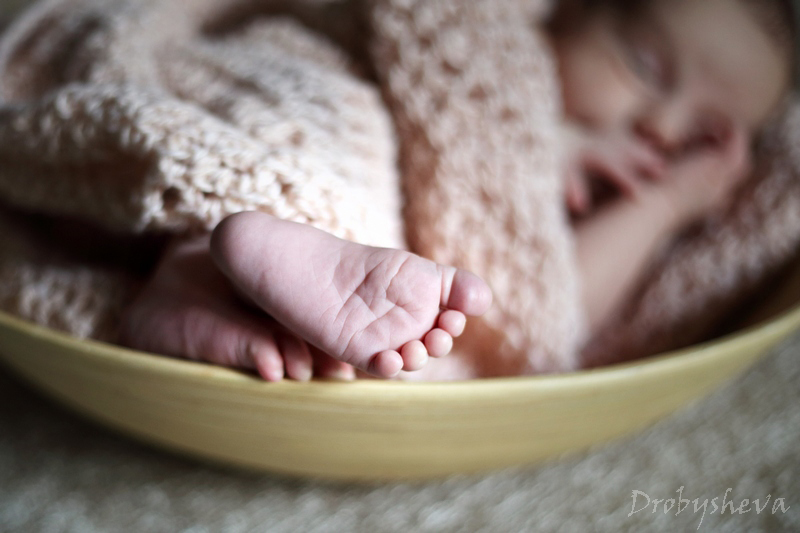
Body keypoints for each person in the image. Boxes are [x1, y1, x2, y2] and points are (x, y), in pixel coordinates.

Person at [119, 0, 796, 381]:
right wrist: (542, 141)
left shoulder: (615, 200)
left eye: (702, 135)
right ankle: (212, 257)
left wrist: (664, 205)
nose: (662, 125)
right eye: (645, 66)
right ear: (570, 13)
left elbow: (552, 308)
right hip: (309, 104)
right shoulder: (487, 60)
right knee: (335, 140)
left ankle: (191, 282)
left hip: (327, 238)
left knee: (365, 249)